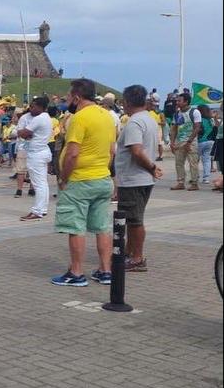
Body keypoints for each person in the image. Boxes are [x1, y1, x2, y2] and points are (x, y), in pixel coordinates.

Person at [52, 79, 116, 287]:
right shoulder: (106, 115)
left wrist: (64, 178)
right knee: (102, 227)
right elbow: (111, 150)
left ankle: (77, 272)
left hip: (80, 180)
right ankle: (106, 270)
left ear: (77, 97)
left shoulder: (78, 118)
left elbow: (72, 153)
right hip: (102, 178)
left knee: (76, 226)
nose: (68, 100)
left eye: (69, 97)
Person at [115, 85, 162, 273]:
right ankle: (130, 252)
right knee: (131, 218)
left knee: (134, 220)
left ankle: (137, 258)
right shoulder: (149, 119)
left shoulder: (135, 122)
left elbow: (136, 151)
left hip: (134, 178)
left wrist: (152, 167)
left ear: (126, 102)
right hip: (142, 178)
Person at [18, 97, 53, 222]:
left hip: (36, 153)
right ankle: (42, 209)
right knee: (43, 183)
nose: (31, 109)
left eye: (33, 106)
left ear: (40, 107)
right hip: (43, 151)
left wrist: (25, 133)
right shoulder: (47, 117)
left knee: (38, 184)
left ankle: (37, 211)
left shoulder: (38, 119)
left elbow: (22, 133)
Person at [169, 92, 201, 191]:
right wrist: (172, 142)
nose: (177, 102)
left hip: (191, 142)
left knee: (193, 163)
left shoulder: (195, 112)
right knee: (178, 163)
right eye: (177, 100)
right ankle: (180, 182)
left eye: (179, 100)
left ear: (186, 102)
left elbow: (197, 128)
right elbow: (174, 128)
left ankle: (194, 183)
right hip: (179, 142)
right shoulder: (177, 113)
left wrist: (189, 142)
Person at [198, 105, 216, 184]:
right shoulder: (211, 120)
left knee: (195, 160)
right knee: (207, 160)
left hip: (200, 141)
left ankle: (195, 176)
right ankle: (206, 178)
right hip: (210, 142)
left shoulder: (199, 120)